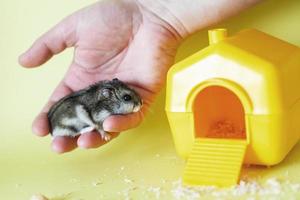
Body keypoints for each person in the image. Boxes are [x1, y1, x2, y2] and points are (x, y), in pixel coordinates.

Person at [19, 0, 261, 153]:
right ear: (107, 95)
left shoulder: (102, 101)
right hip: (69, 122)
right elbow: (83, 113)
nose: (136, 102)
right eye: (127, 99)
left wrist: (154, 11)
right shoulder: (93, 106)